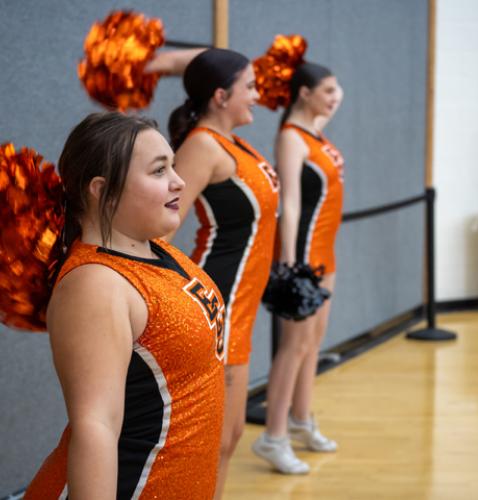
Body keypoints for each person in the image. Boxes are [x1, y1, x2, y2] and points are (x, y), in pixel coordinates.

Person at [23, 112, 226, 499]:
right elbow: (95, 425)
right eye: (158, 170)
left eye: (174, 166)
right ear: (101, 189)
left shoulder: (157, 249)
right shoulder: (96, 284)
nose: (179, 181)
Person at [167, 48, 279, 498]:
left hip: (244, 303)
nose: (257, 94)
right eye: (249, 86)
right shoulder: (201, 146)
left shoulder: (235, 141)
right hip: (223, 298)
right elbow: (160, 226)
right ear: (219, 95)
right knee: (217, 439)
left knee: (228, 438)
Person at [252, 62, 344, 474]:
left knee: (313, 344)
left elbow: (327, 107)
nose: (335, 96)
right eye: (327, 89)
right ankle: (273, 437)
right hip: (304, 254)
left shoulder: (316, 130)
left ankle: (301, 419)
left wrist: (327, 97)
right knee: (294, 346)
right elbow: (288, 203)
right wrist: (290, 264)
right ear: (304, 93)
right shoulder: (291, 138)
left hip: (327, 252)